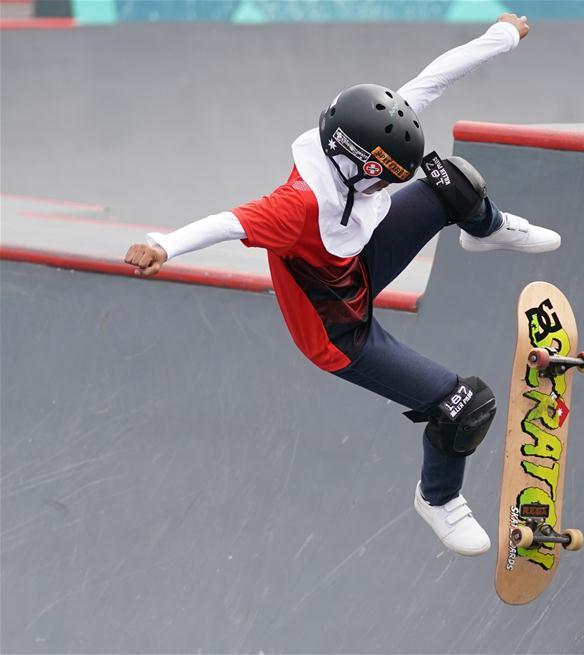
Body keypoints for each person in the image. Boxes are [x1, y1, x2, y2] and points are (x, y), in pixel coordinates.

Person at [124, 14, 560, 557]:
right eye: (381, 178)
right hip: (337, 332)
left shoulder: (365, 140)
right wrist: (162, 244)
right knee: (464, 405)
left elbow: (435, 78)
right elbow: (229, 221)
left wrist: (501, 37)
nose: (385, 186)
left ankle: (486, 229)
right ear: (355, 165)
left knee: (451, 180)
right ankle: (438, 499)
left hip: (358, 267)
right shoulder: (297, 206)